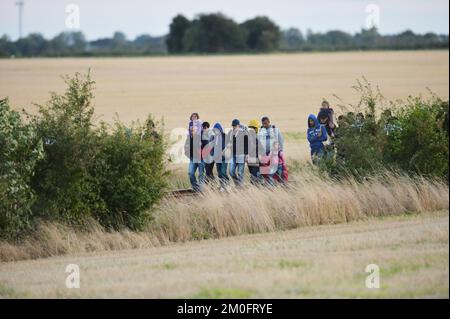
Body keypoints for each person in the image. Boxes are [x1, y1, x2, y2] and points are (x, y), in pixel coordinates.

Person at [185, 113, 204, 192]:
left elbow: (208, 145)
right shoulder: (189, 137)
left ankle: (202, 190)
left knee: (201, 174)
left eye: (195, 128)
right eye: (192, 128)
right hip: (193, 157)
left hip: (201, 157)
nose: (193, 129)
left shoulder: (202, 135)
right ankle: (196, 188)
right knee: (190, 173)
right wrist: (188, 153)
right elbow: (186, 146)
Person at [226, 119, 248, 187]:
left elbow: (247, 144)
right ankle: (237, 183)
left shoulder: (244, 133)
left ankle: (240, 186)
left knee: (240, 172)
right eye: (233, 126)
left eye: (235, 126)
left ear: (238, 125)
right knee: (231, 171)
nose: (233, 127)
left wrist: (246, 154)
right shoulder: (231, 133)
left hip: (241, 155)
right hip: (233, 155)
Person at [212, 123, 229, 190]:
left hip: (224, 158)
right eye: (215, 130)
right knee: (219, 173)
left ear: (220, 129)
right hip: (217, 158)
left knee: (223, 172)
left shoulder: (225, 136)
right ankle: (222, 185)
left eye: (217, 130)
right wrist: (213, 155)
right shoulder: (214, 138)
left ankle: (226, 184)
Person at [247, 119, 264, 184]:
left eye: (253, 128)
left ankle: (256, 187)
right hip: (252, 160)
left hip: (254, 160)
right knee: (254, 175)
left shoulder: (256, 138)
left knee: (254, 175)